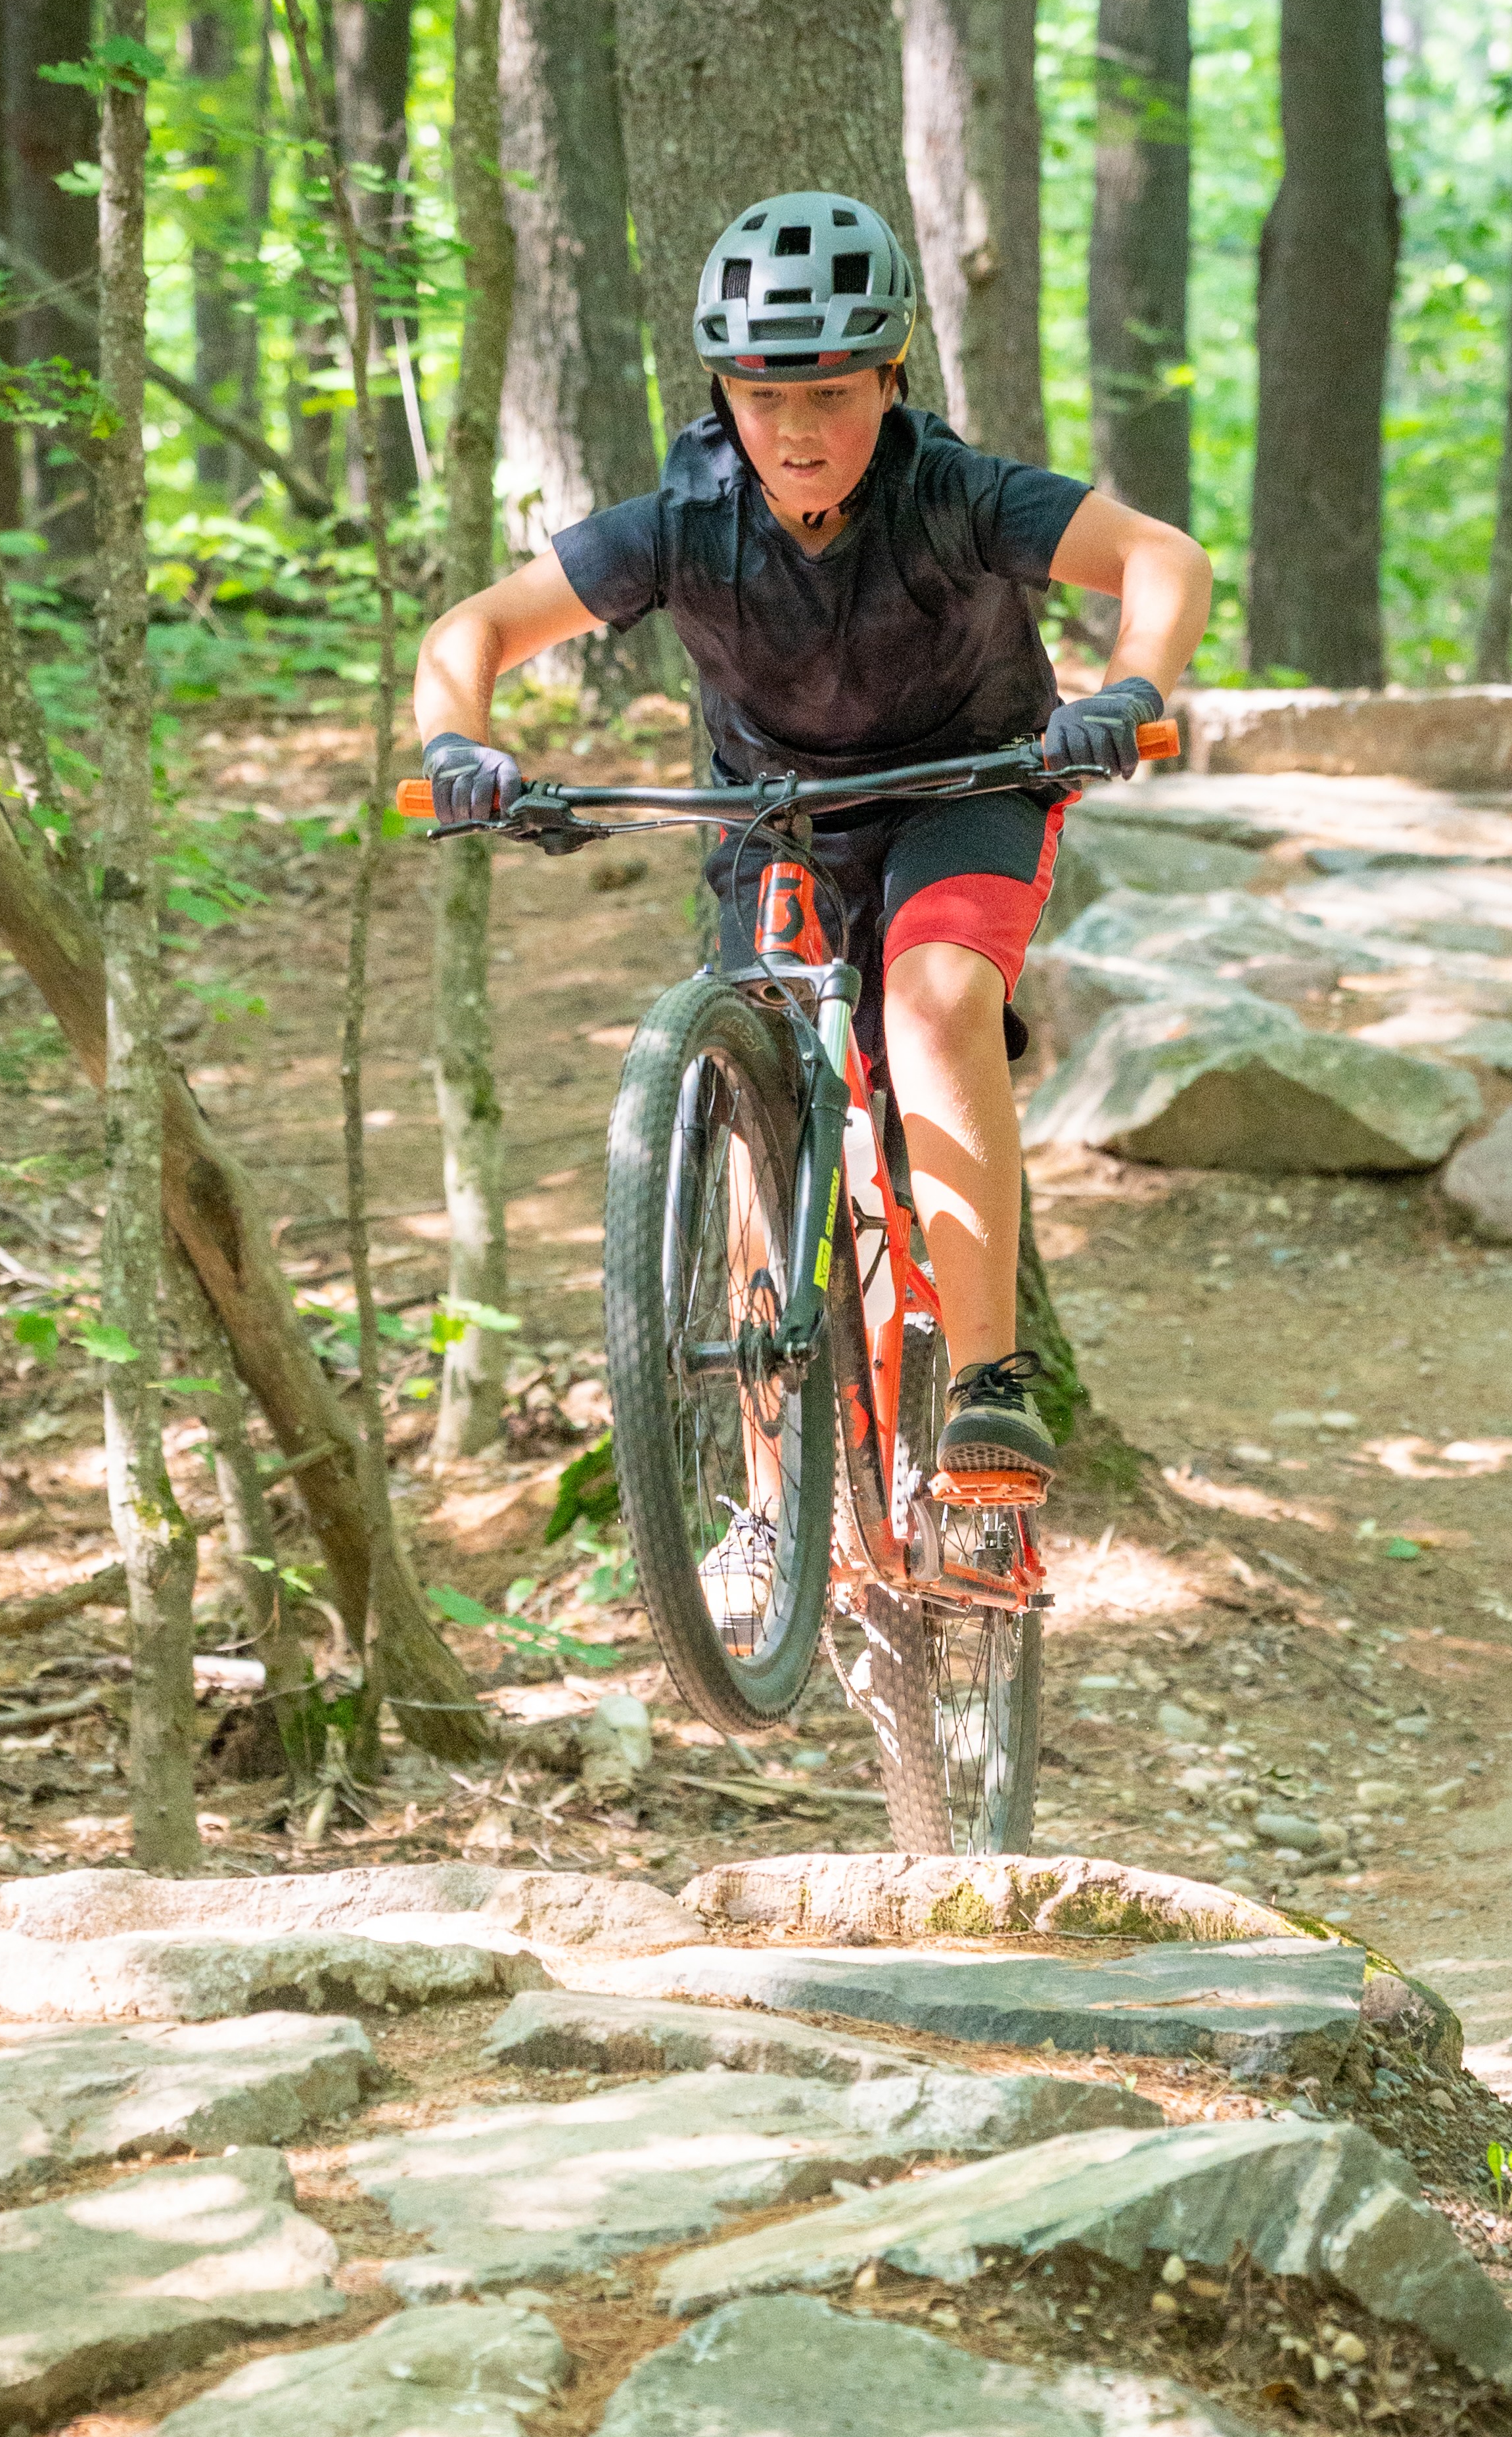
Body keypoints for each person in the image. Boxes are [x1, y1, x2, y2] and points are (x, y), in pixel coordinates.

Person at [413, 187, 1211, 1497]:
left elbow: (1163, 562)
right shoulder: (683, 517)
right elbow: (470, 635)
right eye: (763, 397)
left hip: (972, 781)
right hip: (773, 813)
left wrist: (1127, 695)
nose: (797, 431)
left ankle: (990, 1388)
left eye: (834, 394)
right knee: (758, 1101)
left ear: (892, 377)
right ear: (721, 391)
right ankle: (773, 1517)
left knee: (935, 999)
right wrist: (461, 750)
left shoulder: (954, 491)